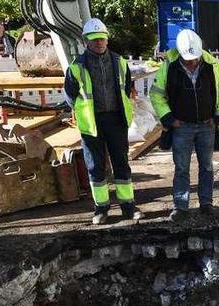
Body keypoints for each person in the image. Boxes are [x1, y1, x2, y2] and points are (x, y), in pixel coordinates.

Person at [64, 18, 142, 225]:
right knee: (96, 166)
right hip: (92, 122)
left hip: (116, 120)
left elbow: (125, 89)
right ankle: (101, 209)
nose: (98, 42)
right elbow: (70, 96)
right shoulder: (76, 67)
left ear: (107, 39)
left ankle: (128, 207)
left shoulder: (119, 62)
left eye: (101, 38)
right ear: (85, 41)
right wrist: (84, 113)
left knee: (121, 163)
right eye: (94, 39)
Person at [150, 29, 219, 222]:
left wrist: (218, 117)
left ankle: (206, 203)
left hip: (206, 126)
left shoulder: (212, 64)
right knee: (181, 169)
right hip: (182, 127)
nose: (192, 63)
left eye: (194, 59)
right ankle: (181, 206)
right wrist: (169, 118)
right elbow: (156, 94)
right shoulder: (169, 67)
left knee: (207, 167)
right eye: (188, 60)